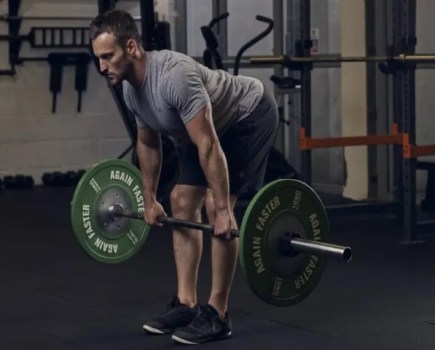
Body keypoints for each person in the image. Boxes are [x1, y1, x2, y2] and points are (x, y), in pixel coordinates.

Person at [89, 9, 279, 345]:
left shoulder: (174, 76)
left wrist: (221, 208)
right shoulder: (132, 91)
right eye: (99, 58)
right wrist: (149, 199)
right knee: (179, 200)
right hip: (207, 131)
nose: (102, 67)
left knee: (216, 207)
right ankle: (187, 304)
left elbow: (207, 144)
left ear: (131, 48)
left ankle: (218, 314)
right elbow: (148, 144)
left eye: (108, 56)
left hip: (247, 115)